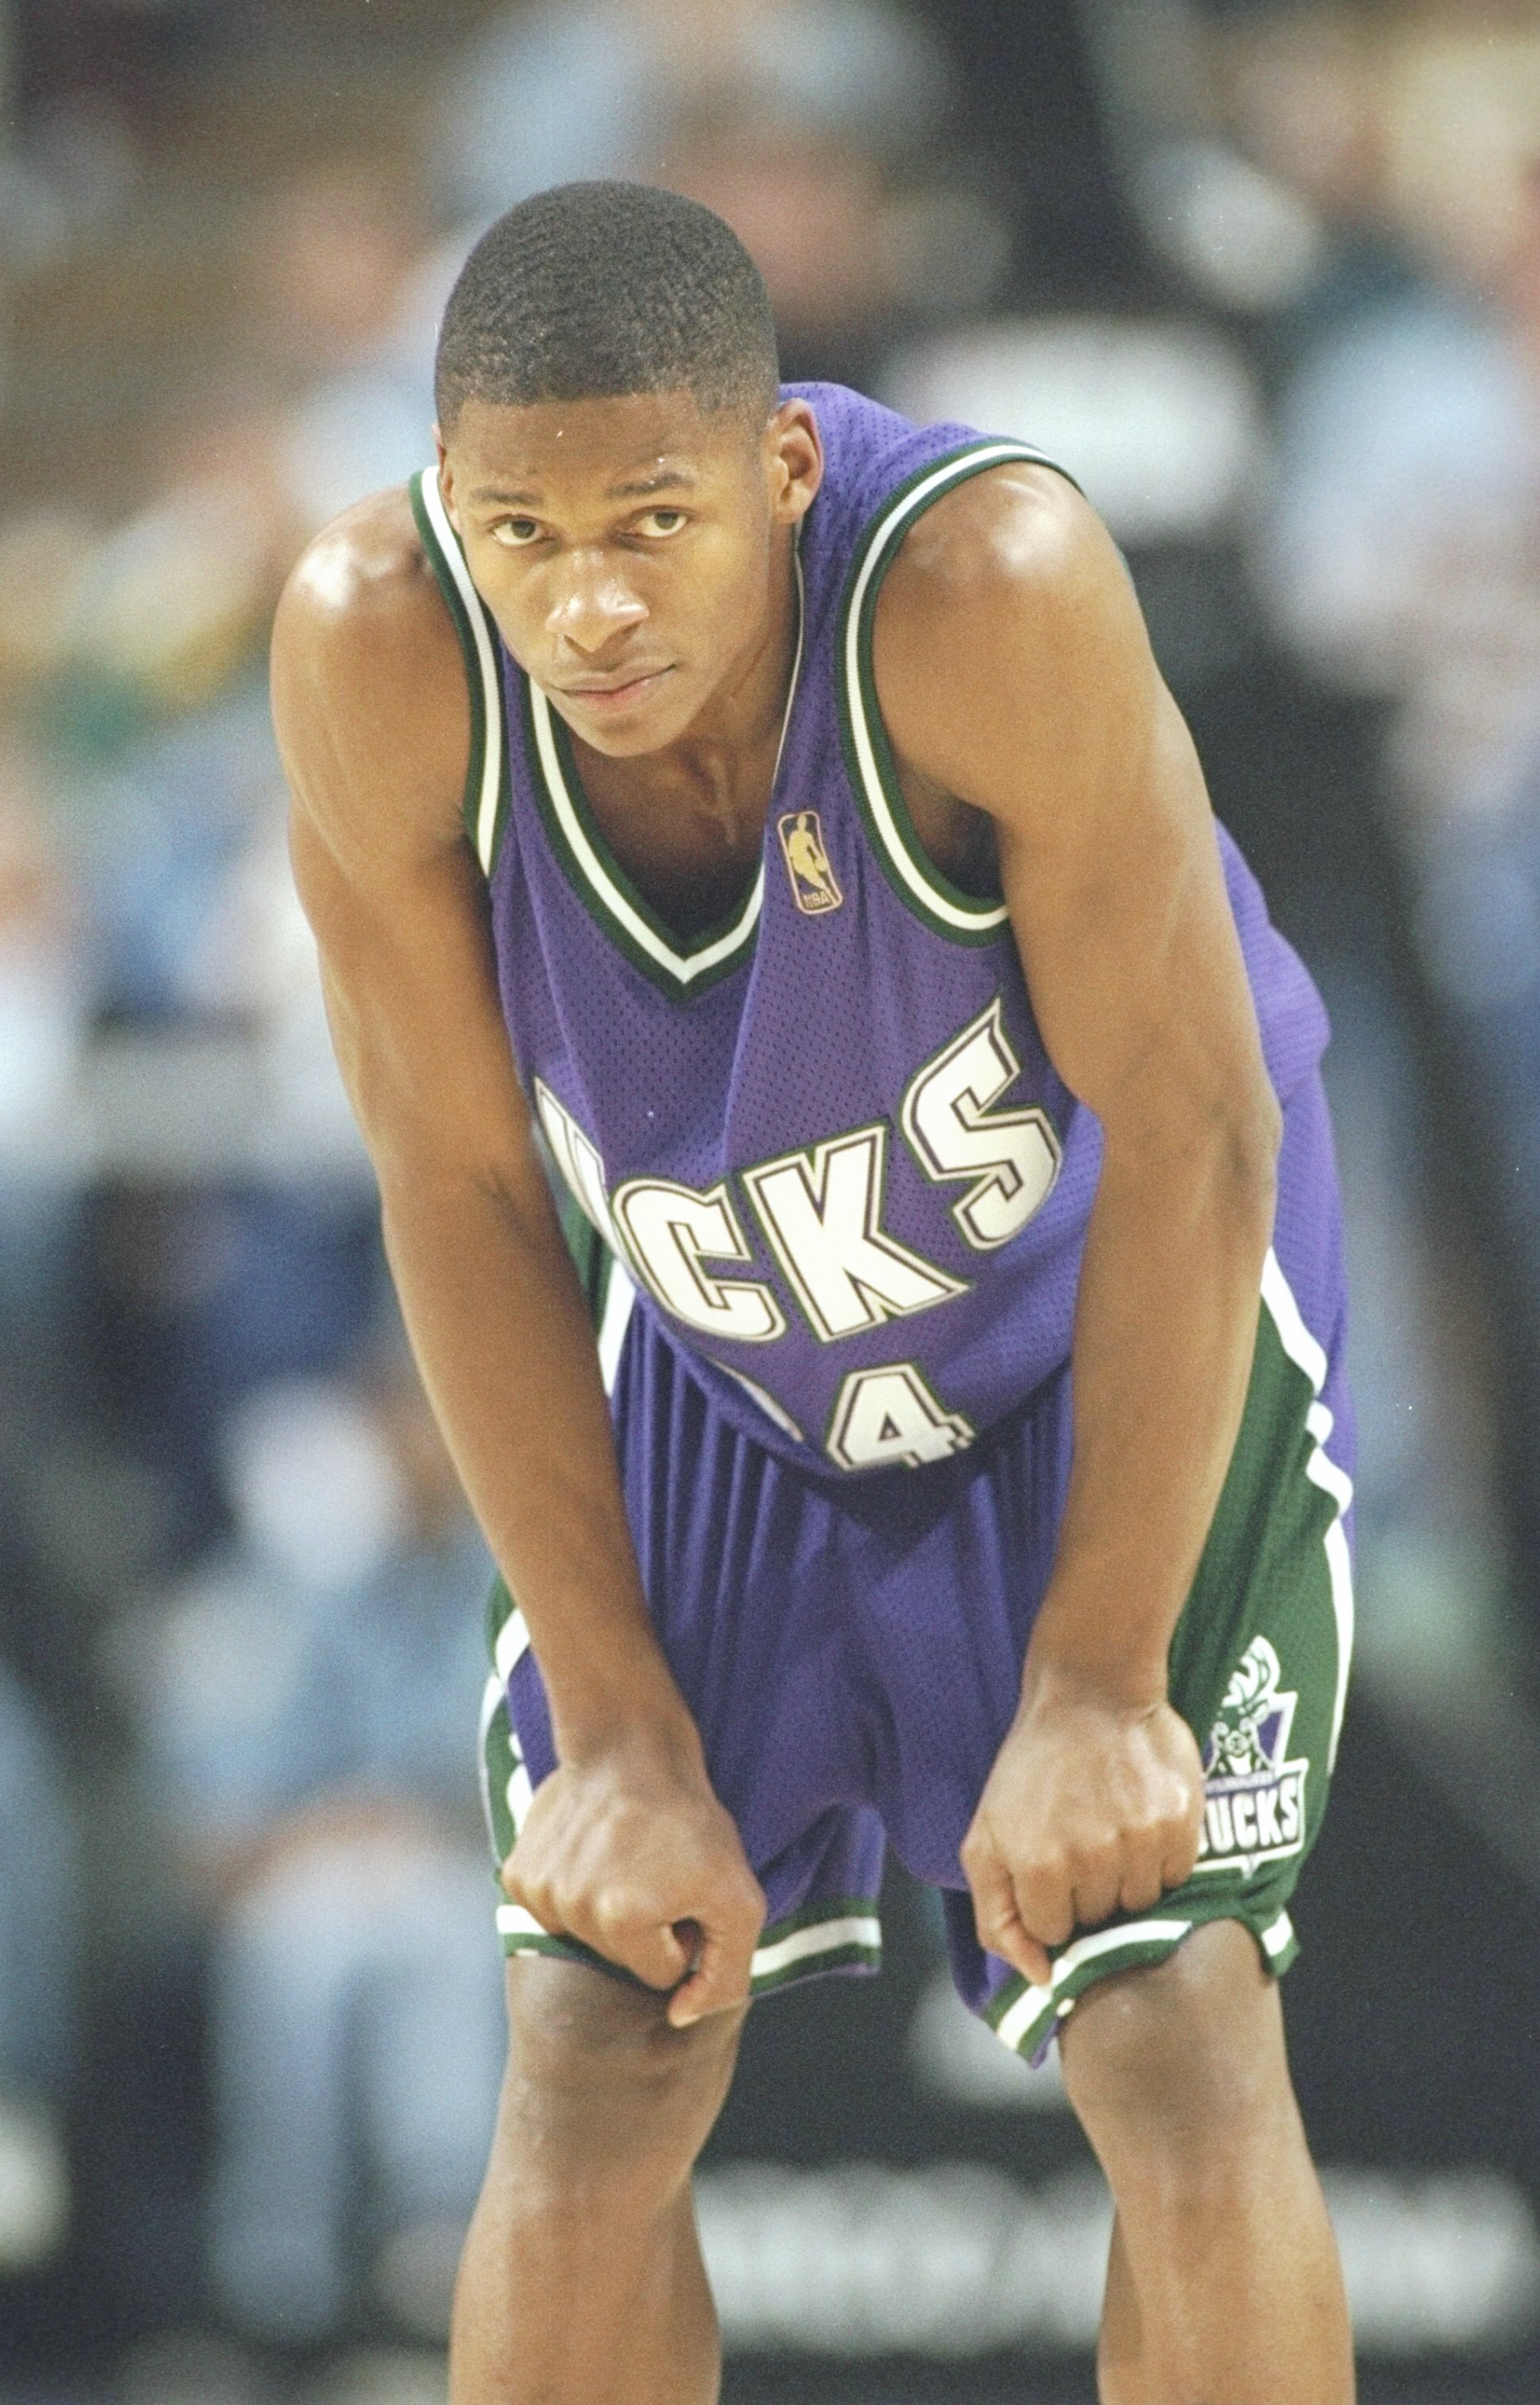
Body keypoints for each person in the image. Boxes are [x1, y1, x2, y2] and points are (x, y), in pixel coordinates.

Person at [272, 181, 1356, 2404]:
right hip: (722, 1344)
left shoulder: (985, 588)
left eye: (649, 520)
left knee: (1169, 2019)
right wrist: (625, 1735)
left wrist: (1099, 1681)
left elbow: (1200, 1127)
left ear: (778, 469)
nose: (582, 601)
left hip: (1100, 1311)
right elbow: (462, 1183)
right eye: (521, 532)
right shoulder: (376, 643)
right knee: (591, 2022)